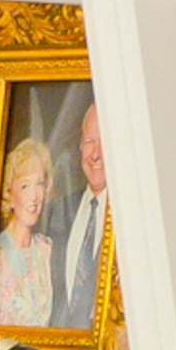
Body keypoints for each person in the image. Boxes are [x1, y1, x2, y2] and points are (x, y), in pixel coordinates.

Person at [0, 137, 59, 331]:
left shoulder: (47, 249)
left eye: (39, 184)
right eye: (25, 186)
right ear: (10, 194)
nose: (34, 196)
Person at [51, 102, 111, 331]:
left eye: (104, 141)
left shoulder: (133, 220)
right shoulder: (58, 212)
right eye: (89, 142)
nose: (96, 154)